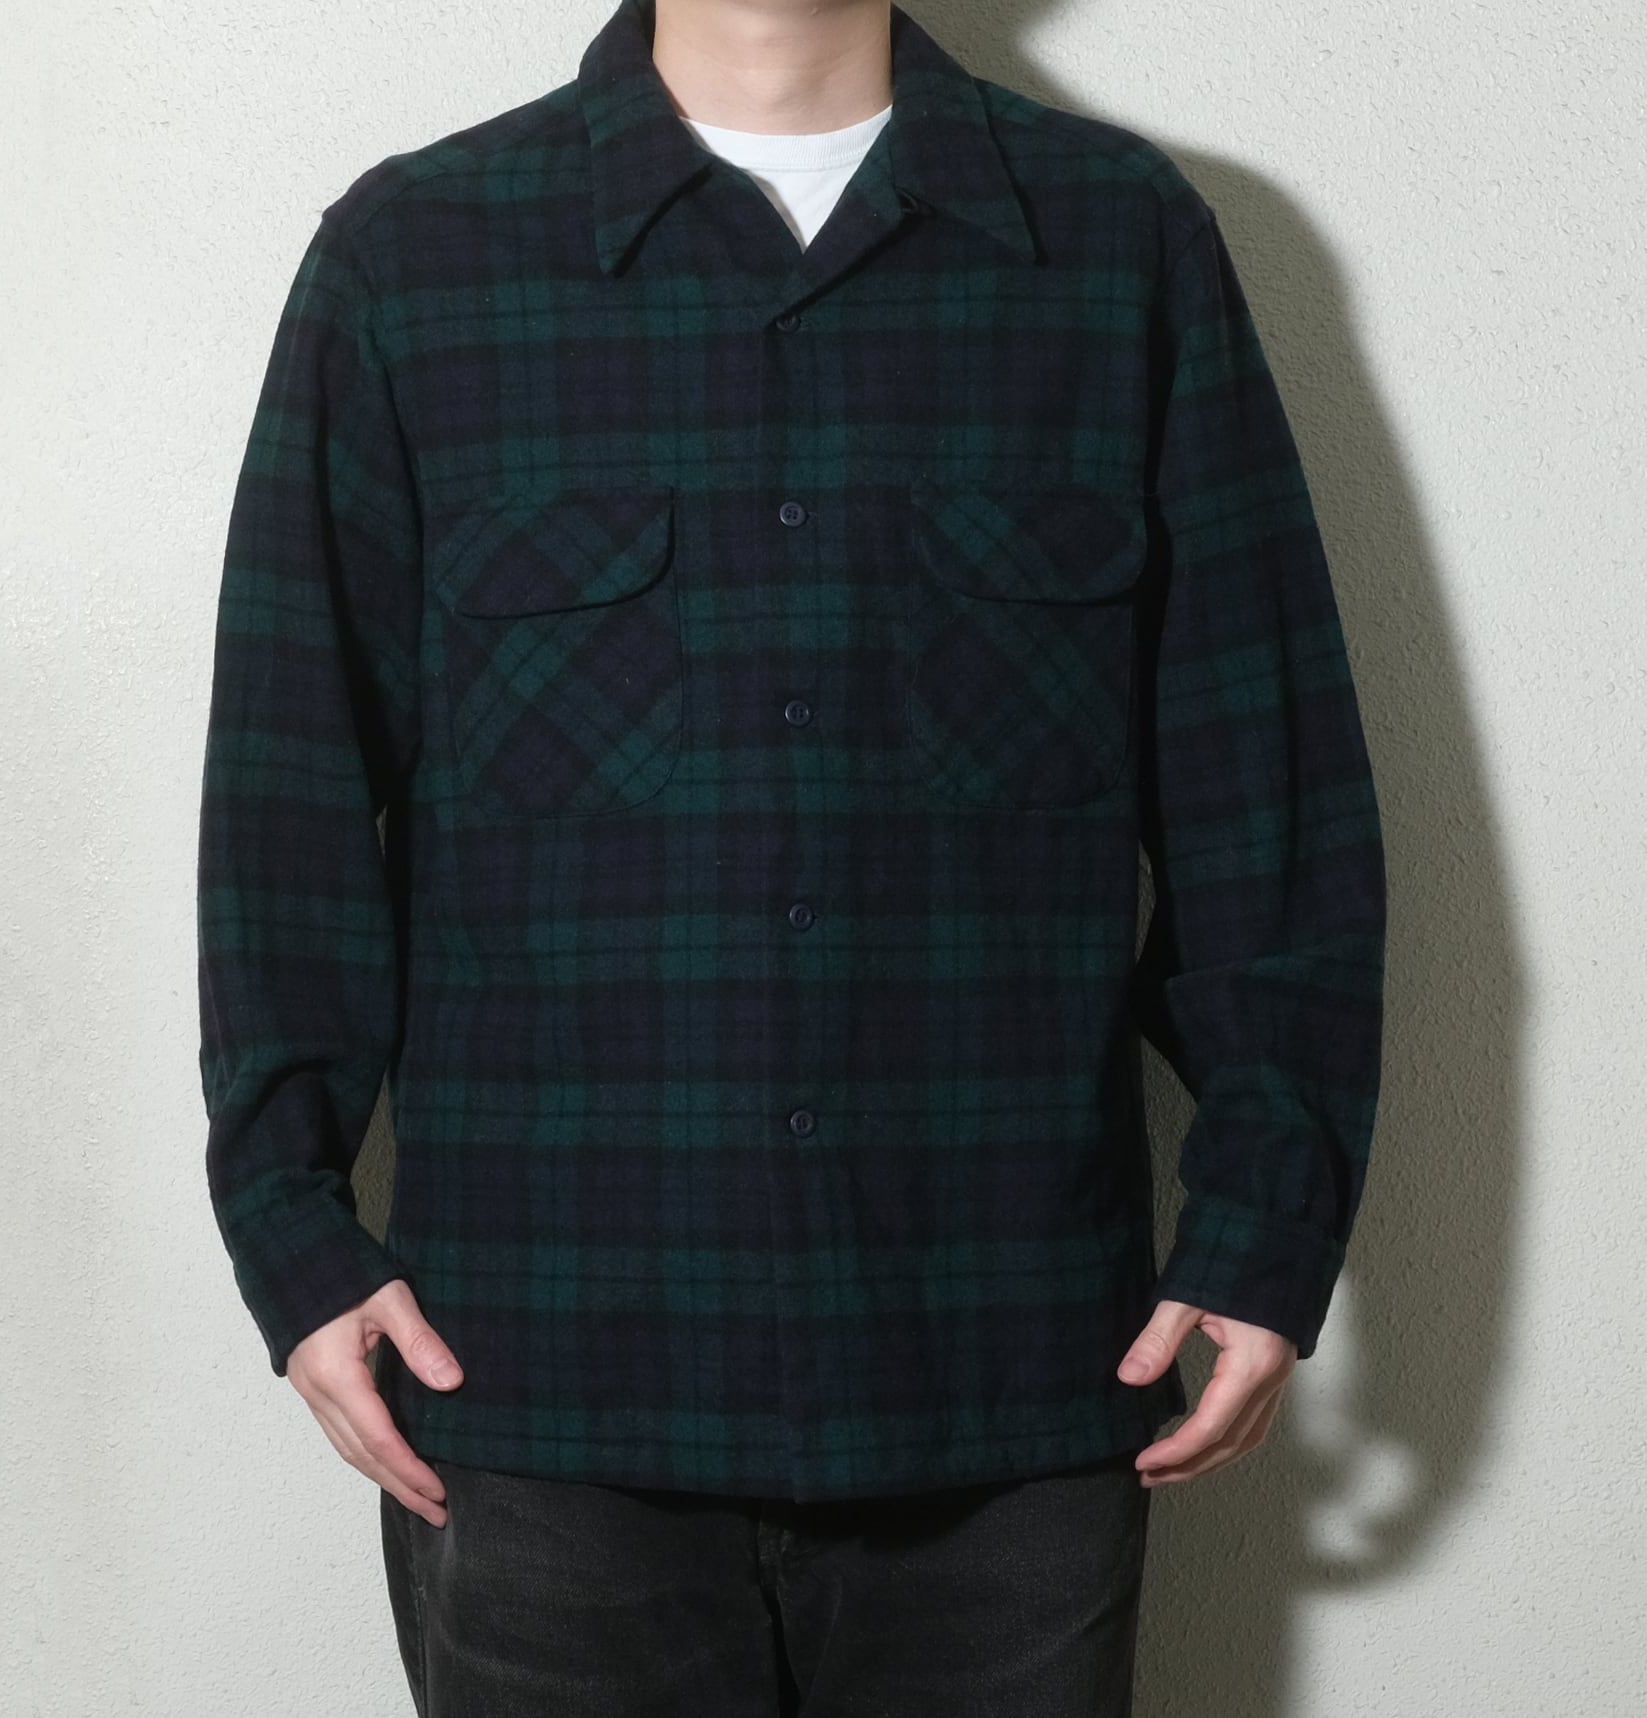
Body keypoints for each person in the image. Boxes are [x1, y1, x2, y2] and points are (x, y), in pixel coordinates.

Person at [194, 0, 1388, 1710]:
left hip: (1005, 1384)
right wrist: (295, 1236)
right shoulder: (413, 262)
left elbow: (1264, 788)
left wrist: (1269, 1222)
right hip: (540, 1394)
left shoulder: (1122, 249)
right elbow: (288, 801)